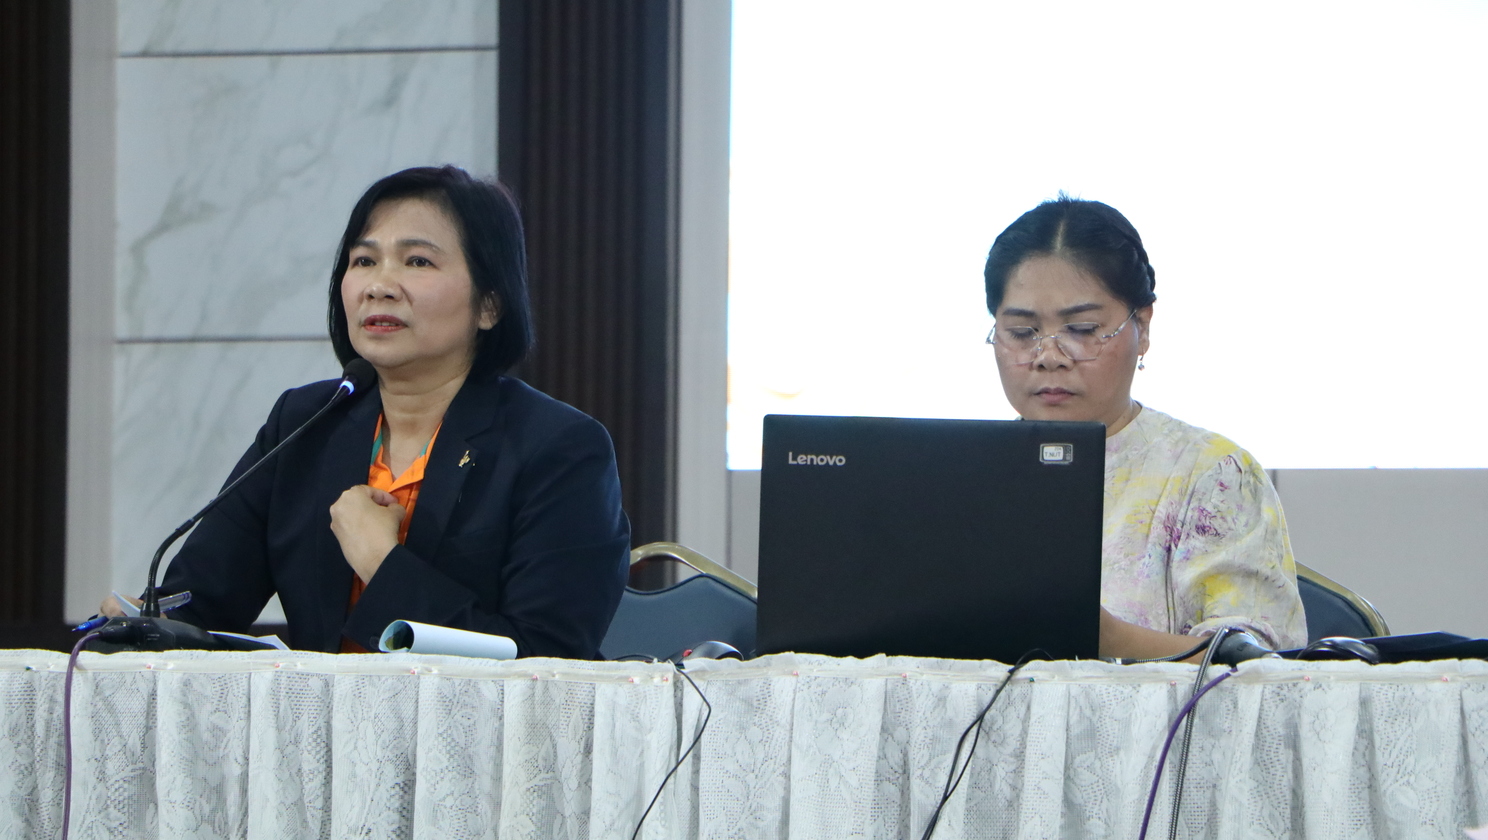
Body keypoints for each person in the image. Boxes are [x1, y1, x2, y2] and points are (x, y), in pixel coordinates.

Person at [103, 165, 631, 658]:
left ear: (489, 305)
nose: (379, 286)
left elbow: (547, 662)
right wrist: (145, 625)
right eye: (363, 261)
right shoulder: (306, 422)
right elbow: (202, 600)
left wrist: (382, 562)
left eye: (418, 261)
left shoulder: (558, 448)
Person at [983, 195, 1307, 657]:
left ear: (1143, 327)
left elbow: (1256, 668)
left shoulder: (1214, 475)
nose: (1049, 356)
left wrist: (1106, 638)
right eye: (1022, 333)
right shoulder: (962, 475)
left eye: (1082, 329)